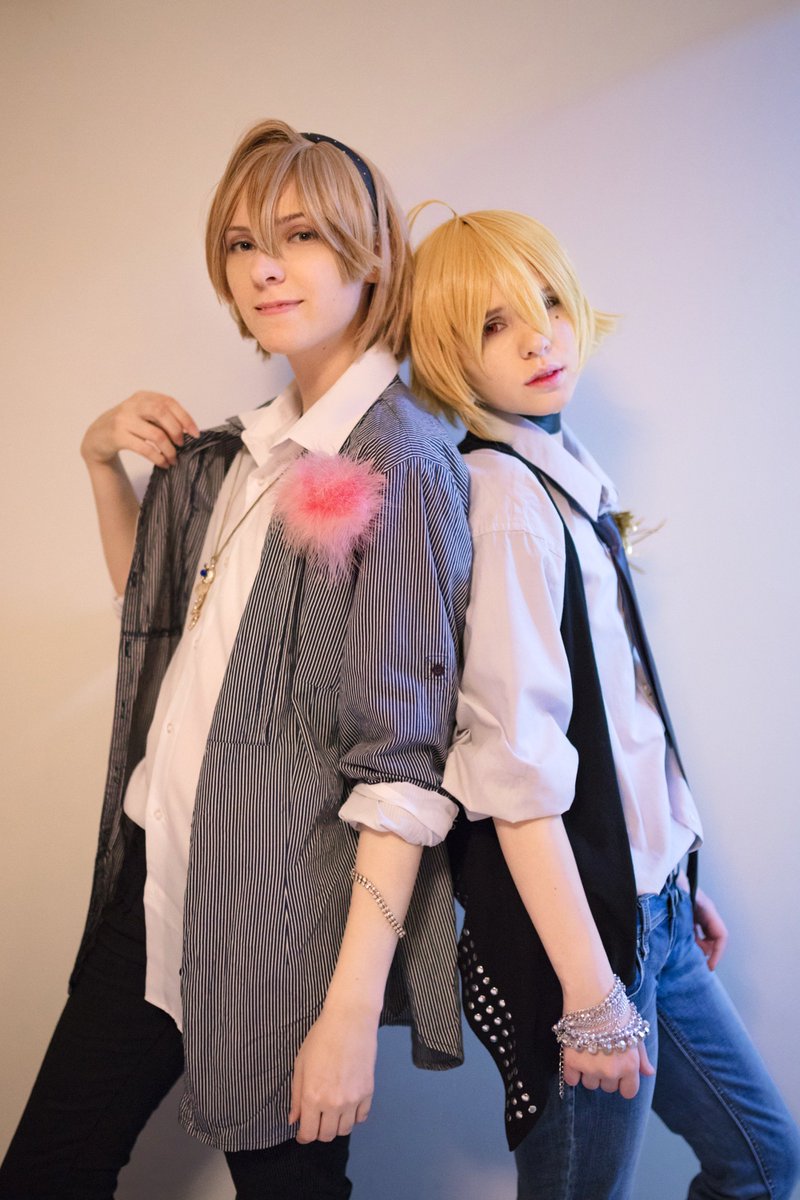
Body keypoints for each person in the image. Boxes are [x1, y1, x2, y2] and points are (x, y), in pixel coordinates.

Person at [0, 122, 472, 1199]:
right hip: (156, 879)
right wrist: (98, 459)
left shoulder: (399, 461)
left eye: (300, 236)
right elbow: (160, 615)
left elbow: (401, 768)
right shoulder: (253, 449)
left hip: (277, 917)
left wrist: (348, 1012)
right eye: (242, 242)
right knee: (47, 1172)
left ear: (369, 254)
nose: (265, 267)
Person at [409, 204, 800, 1199]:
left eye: (547, 301)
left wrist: (665, 862)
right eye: (493, 323)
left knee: (763, 1161)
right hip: (584, 938)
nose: (539, 337)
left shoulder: (562, 479)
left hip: (646, 907)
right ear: (449, 354)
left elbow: (617, 719)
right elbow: (514, 770)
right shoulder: (506, 503)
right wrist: (589, 996)